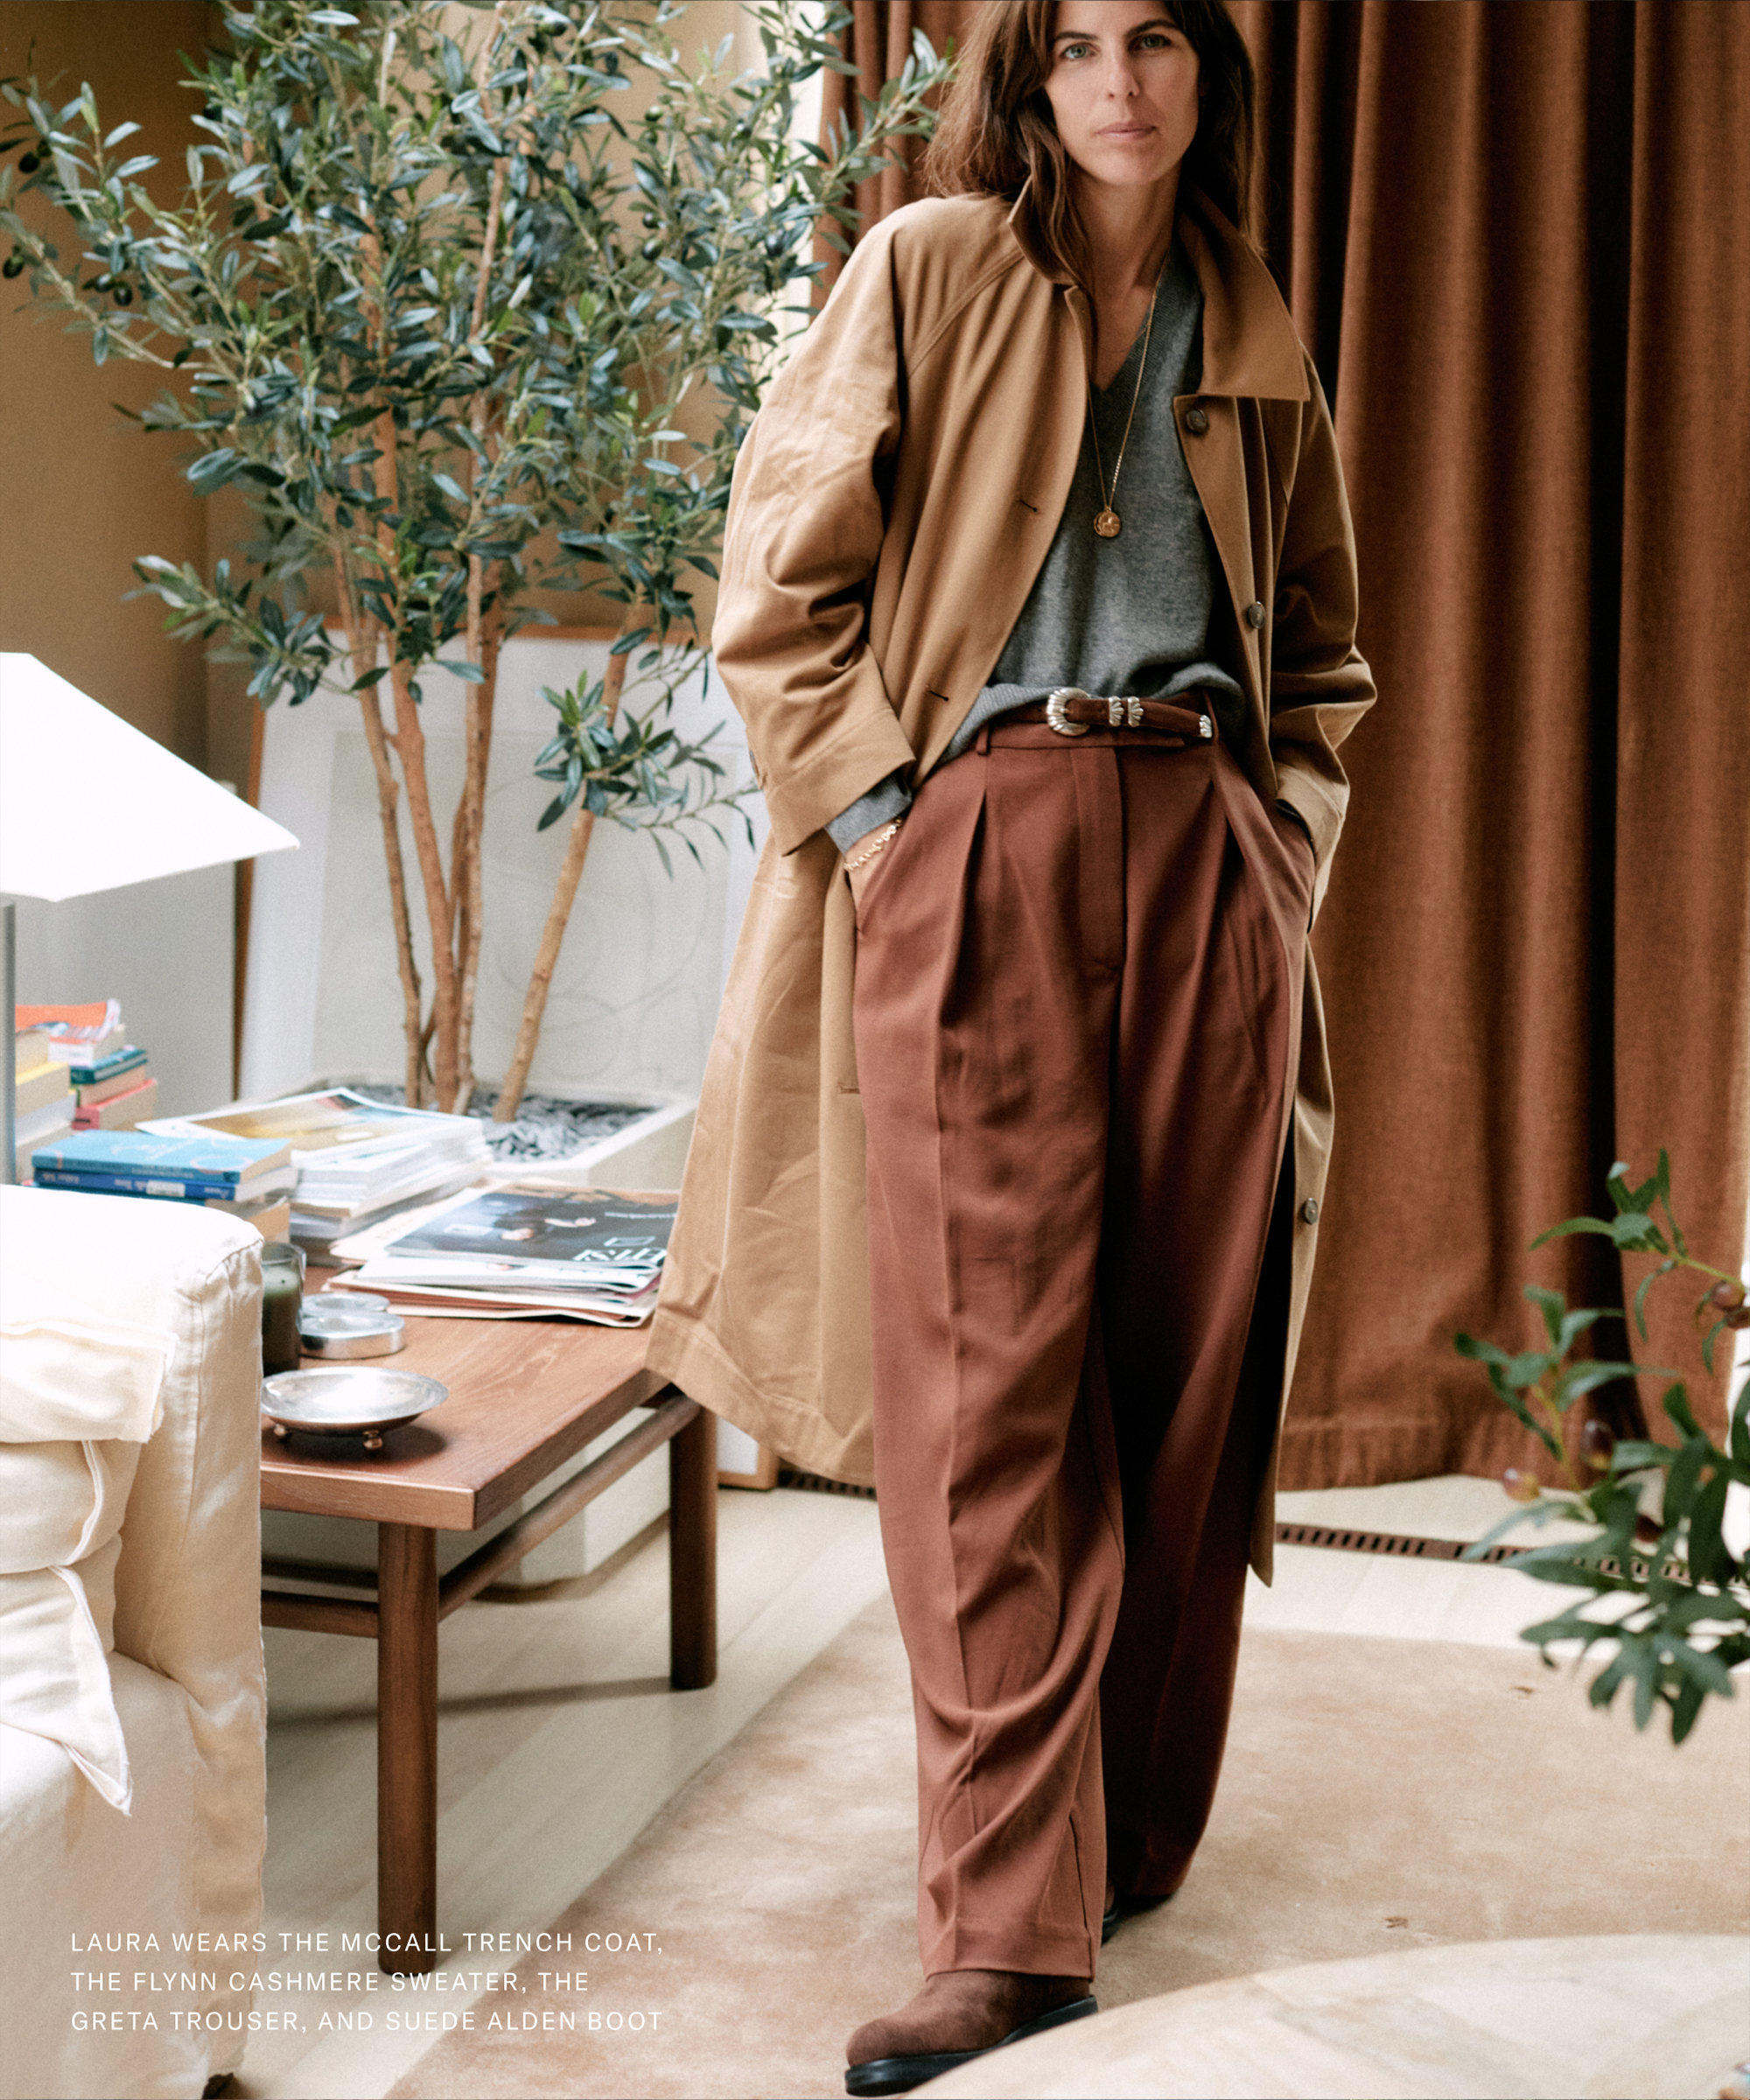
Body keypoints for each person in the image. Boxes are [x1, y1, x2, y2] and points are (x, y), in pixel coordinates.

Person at [647, 3, 1375, 2091]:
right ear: (1026, 82)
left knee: (1183, 1374)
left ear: (1205, 78)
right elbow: (778, 590)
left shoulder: (1252, 320)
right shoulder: (932, 267)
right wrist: (890, 826)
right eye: (1074, 44)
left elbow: (1321, 645)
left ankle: (1123, 1840)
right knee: (987, 1399)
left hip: (1208, 854)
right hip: (984, 837)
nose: (1119, 78)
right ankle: (1002, 1927)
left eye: (1158, 38)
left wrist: (1278, 841)